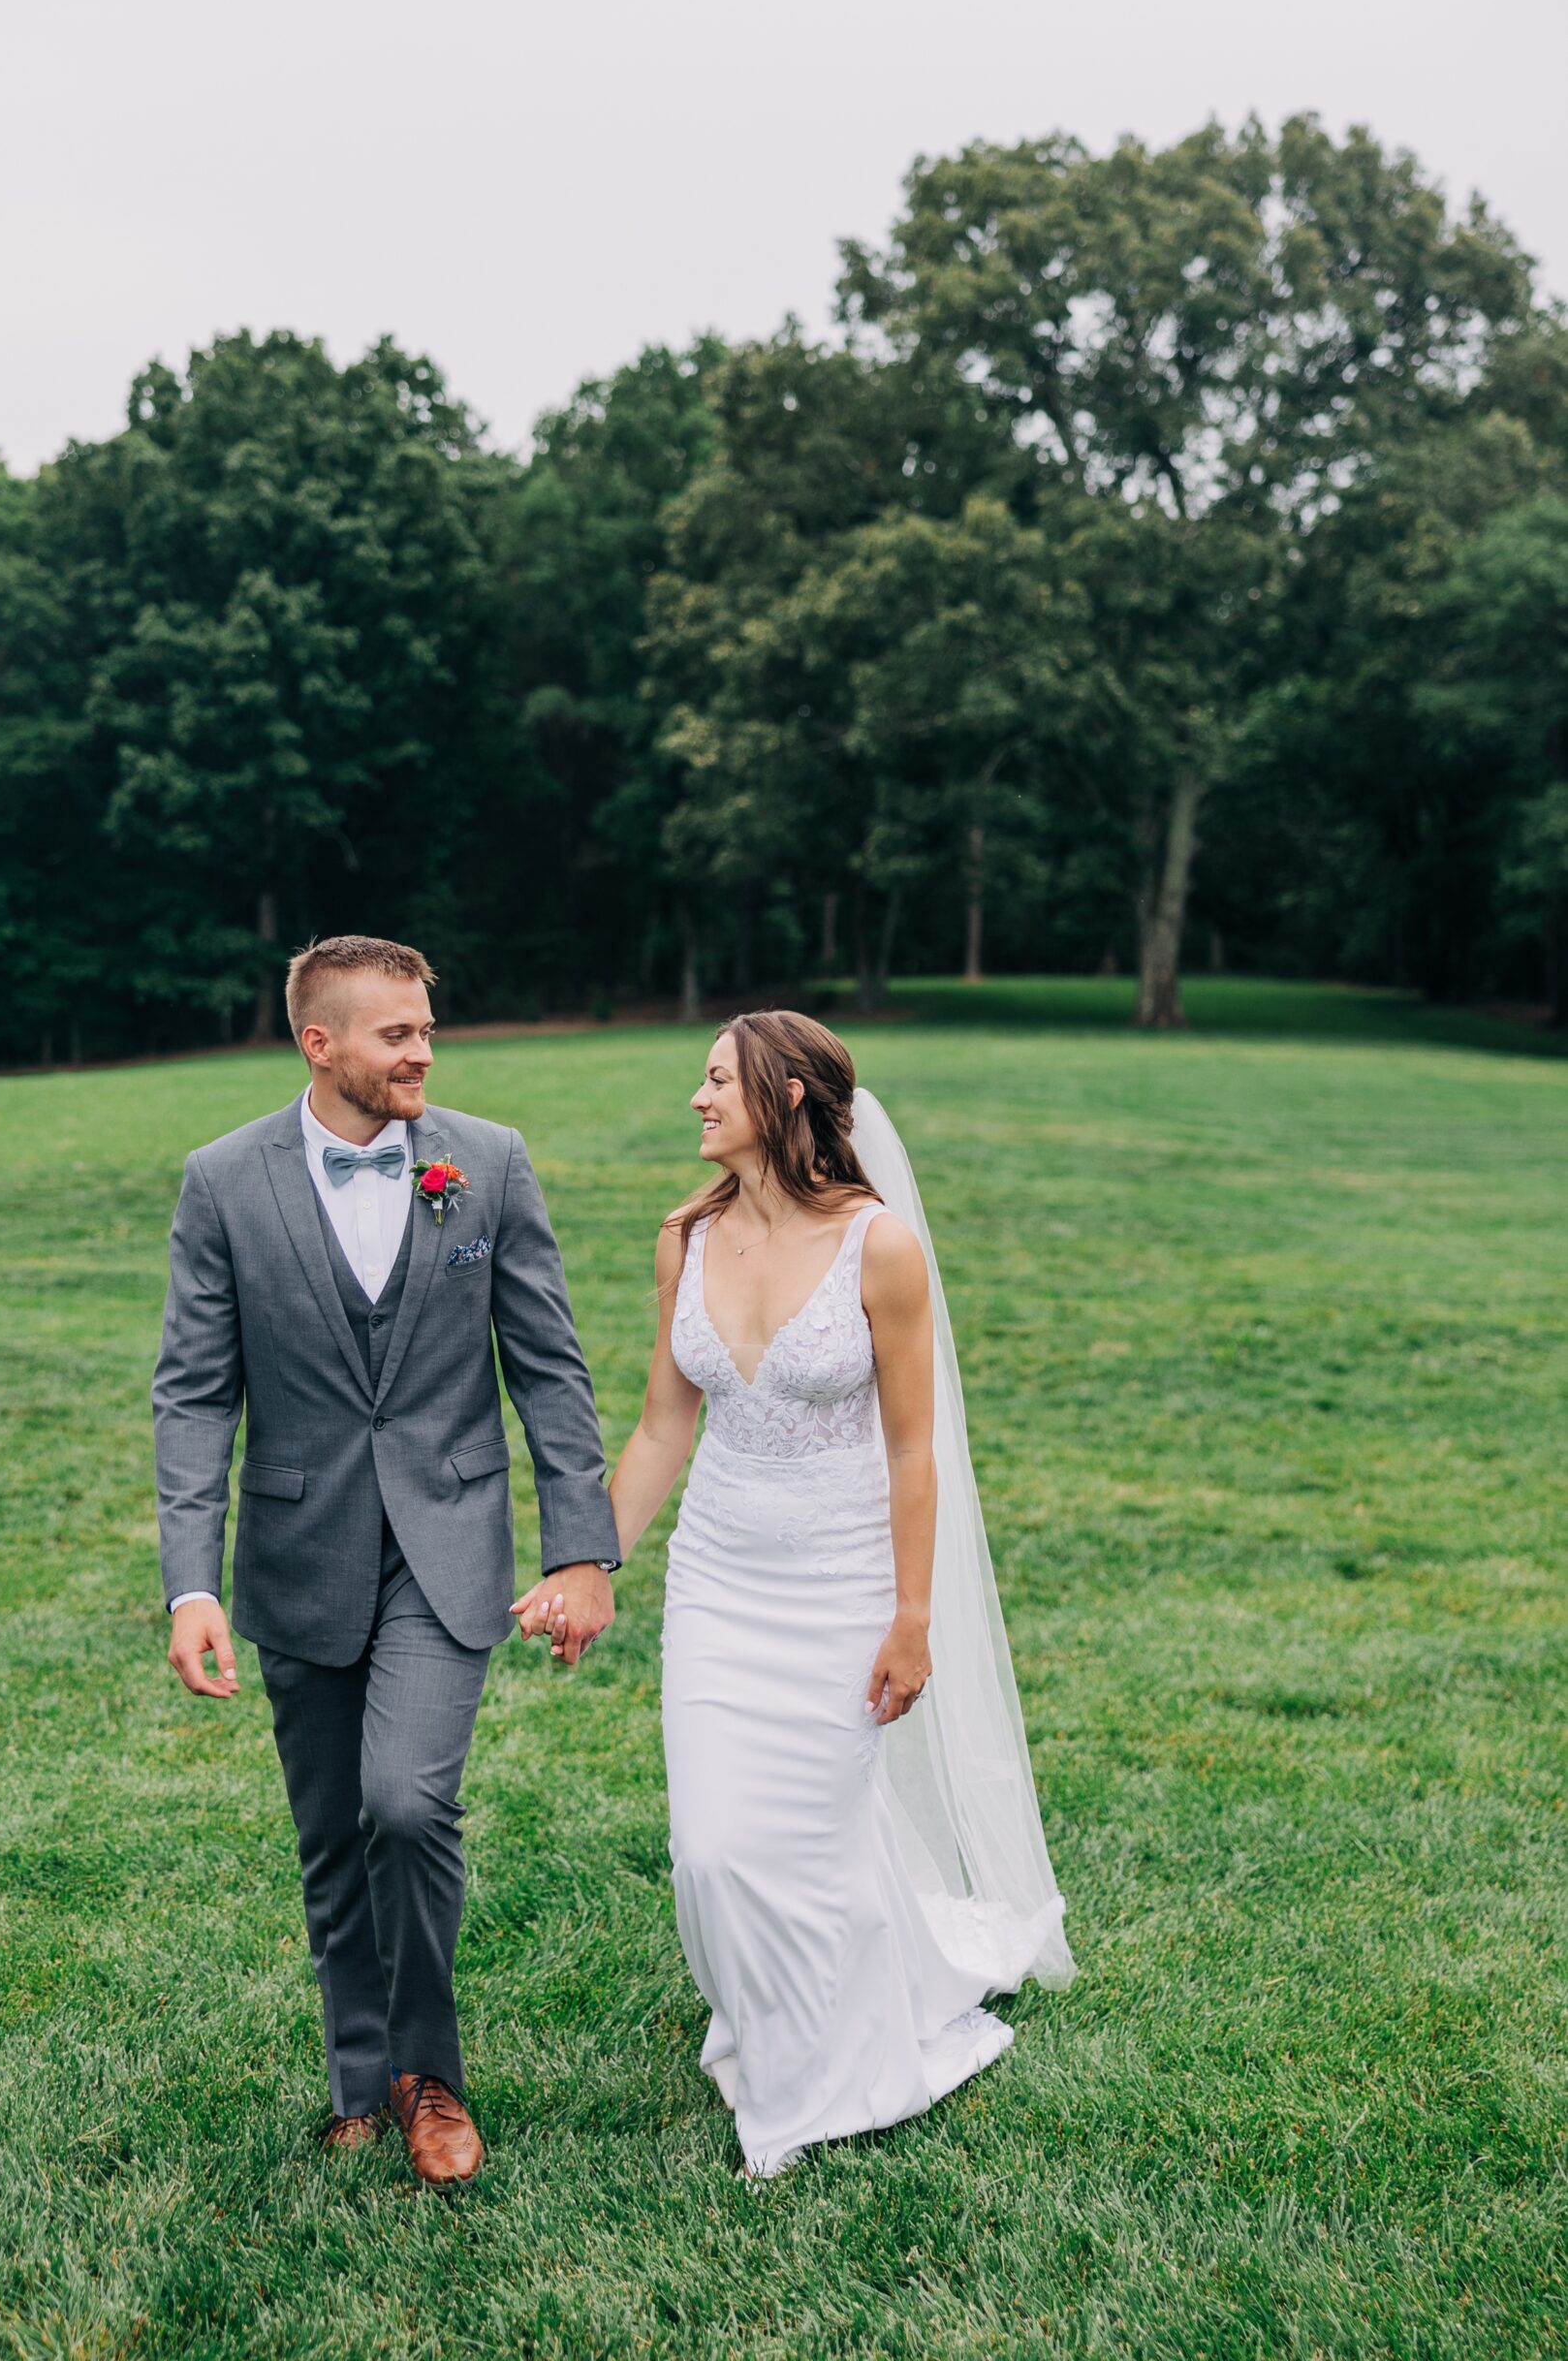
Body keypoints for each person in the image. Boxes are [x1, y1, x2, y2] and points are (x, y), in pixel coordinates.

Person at [531, 1011, 1072, 2178]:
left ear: (782, 1099)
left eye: (716, 1078)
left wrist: (912, 1618)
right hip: (721, 1585)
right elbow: (663, 1425)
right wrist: (589, 1563)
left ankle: (811, 2086)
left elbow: (916, 1452)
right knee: (714, 1853)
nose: (696, 1098)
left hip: (841, 1586)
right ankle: (782, 2035)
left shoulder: (881, 1248)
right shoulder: (687, 1238)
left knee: (816, 1846)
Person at [154, 934, 617, 2185]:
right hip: (297, 1548)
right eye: (395, 1033)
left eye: (426, 1027)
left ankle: (431, 2076)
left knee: (405, 1806)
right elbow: (193, 1395)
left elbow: (550, 1369)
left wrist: (584, 1548)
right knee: (329, 1835)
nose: (423, 1050)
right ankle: (356, 2076)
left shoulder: (489, 1164)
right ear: (321, 1045)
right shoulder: (222, 1182)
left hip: (448, 1543)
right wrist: (191, 1581)